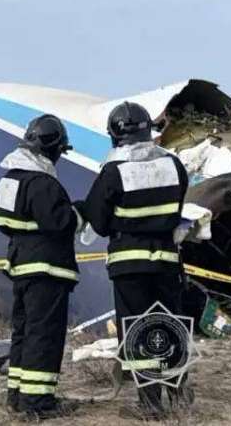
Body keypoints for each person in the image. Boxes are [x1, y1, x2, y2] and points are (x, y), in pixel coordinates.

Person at [78, 102, 191, 419]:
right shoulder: (173, 165)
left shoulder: (114, 171)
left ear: (115, 135)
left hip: (130, 265)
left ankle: (151, 404)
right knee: (170, 323)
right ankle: (179, 393)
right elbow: (178, 208)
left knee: (138, 330)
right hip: (167, 260)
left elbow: (99, 222)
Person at [0, 115, 80, 420]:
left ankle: (17, 395)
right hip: (46, 271)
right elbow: (60, 223)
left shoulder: (10, 179)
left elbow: (2, 221)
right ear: (53, 149)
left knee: (24, 332)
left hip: (21, 267)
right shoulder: (43, 183)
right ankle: (37, 402)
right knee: (44, 335)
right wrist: (78, 213)